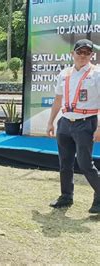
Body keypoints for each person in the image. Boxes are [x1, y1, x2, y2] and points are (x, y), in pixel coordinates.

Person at [47, 39, 100, 214]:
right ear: (73, 54)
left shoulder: (97, 74)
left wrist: (99, 128)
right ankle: (66, 196)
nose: (83, 56)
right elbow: (57, 99)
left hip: (85, 123)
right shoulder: (64, 74)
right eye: (80, 52)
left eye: (87, 53)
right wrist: (51, 122)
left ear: (92, 55)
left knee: (85, 163)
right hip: (65, 122)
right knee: (65, 163)